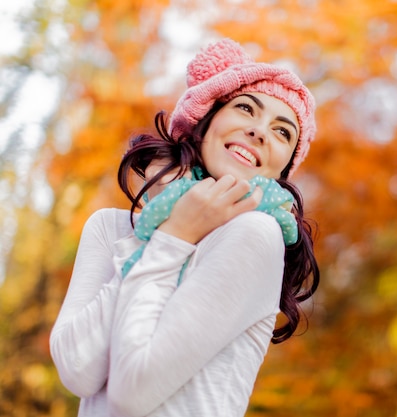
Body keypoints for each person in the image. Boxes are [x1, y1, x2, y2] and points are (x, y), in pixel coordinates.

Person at [50, 38, 320, 417]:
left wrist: (173, 237)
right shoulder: (110, 229)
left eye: (282, 132)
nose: (260, 131)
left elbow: (132, 393)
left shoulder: (256, 235)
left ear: (282, 169)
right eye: (245, 108)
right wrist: (164, 226)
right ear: (205, 121)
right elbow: (78, 371)